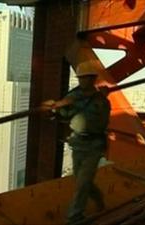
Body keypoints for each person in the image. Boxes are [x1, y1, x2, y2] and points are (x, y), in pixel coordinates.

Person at [41, 61, 111, 225]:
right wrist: (53, 110)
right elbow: (62, 114)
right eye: (81, 78)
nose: (82, 81)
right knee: (81, 180)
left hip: (94, 145)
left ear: (93, 79)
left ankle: (74, 217)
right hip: (78, 143)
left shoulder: (100, 100)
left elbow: (102, 121)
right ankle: (99, 200)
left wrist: (101, 98)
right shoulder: (72, 97)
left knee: (83, 182)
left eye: (85, 78)